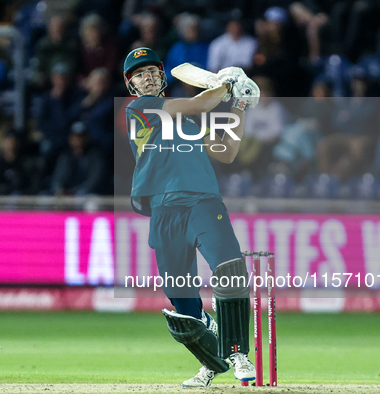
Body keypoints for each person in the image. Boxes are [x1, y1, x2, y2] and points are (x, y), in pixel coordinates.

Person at [123, 47, 260, 387]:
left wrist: (240, 105)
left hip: (203, 201)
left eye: (153, 70)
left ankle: (238, 351)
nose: (148, 77)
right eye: (139, 74)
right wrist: (226, 87)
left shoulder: (183, 121)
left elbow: (227, 151)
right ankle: (212, 362)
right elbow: (198, 103)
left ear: (162, 75)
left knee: (229, 269)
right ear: (132, 85)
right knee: (182, 304)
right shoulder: (140, 108)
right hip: (164, 209)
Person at [50, 122, 107, 196]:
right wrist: (59, 190)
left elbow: (93, 181)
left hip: (85, 194)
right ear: (70, 138)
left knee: (92, 203)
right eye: (75, 137)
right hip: (66, 194)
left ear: (87, 137)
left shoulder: (95, 156)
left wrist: (73, 192)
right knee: (44, 198)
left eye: (80, 137)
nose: (78, 140)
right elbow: (57, 178)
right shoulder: (65, 156)